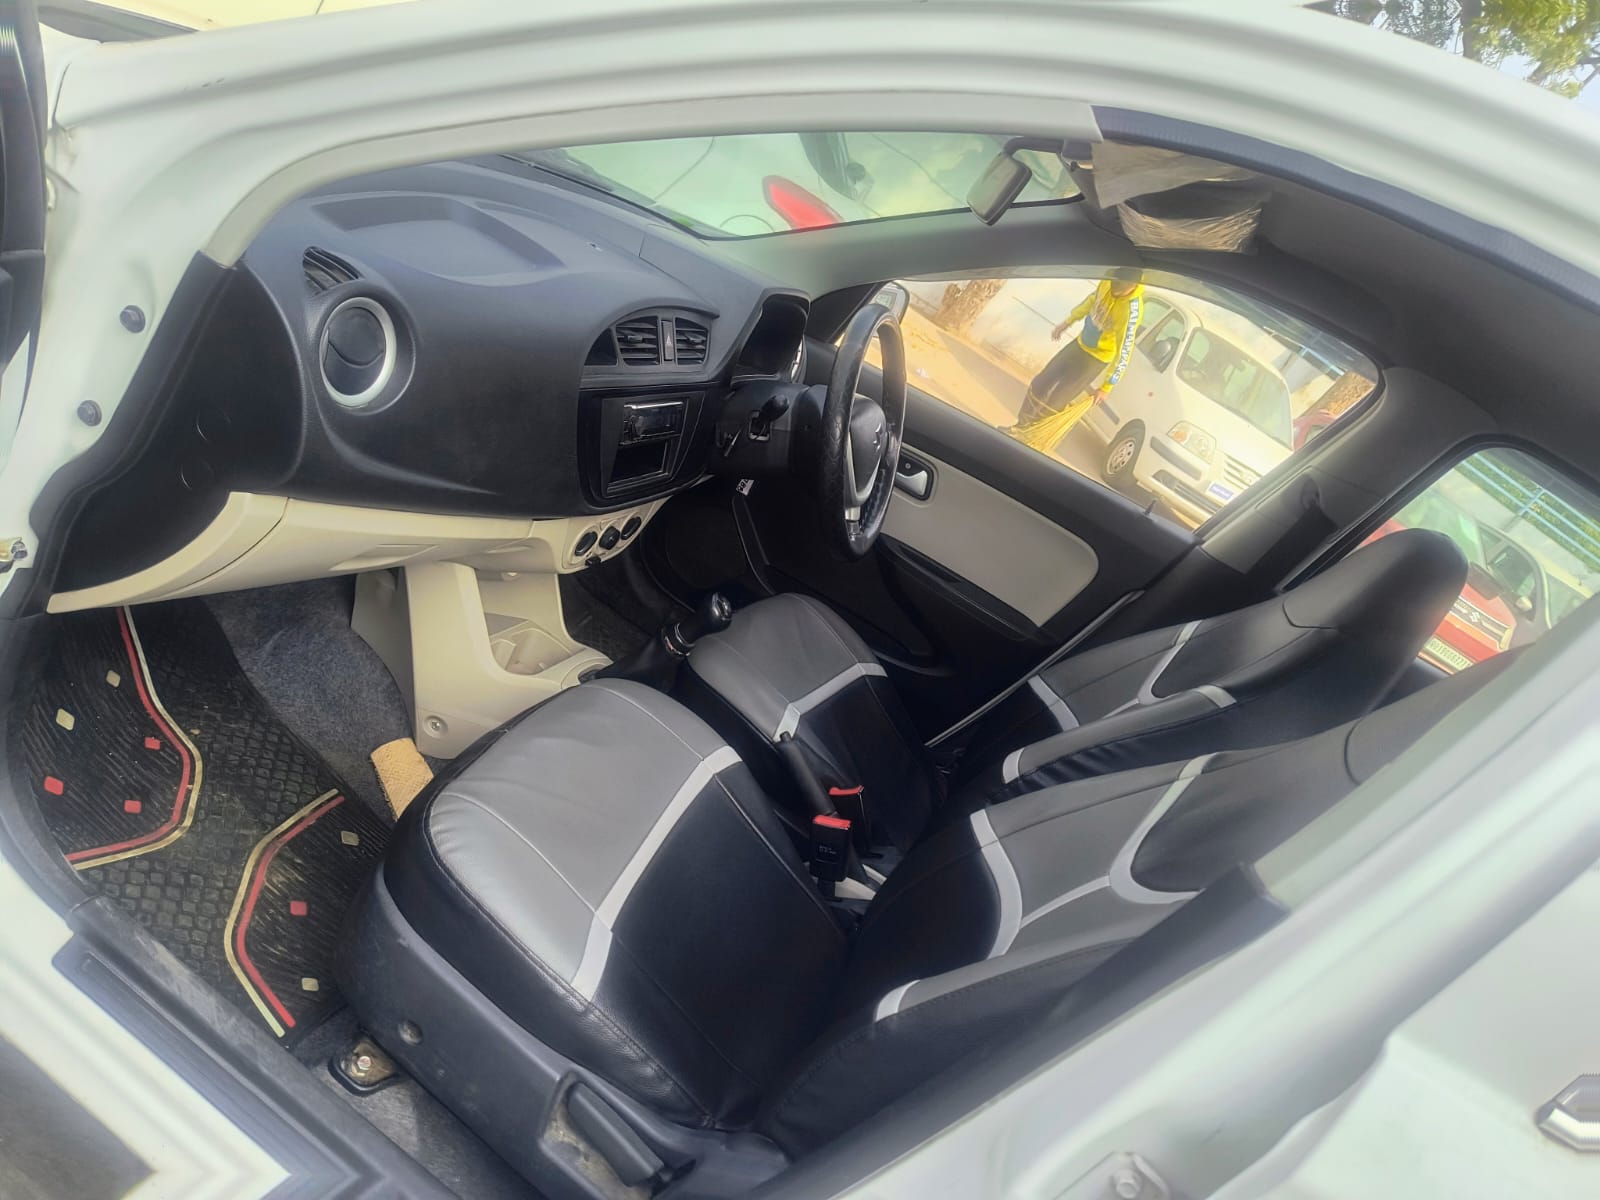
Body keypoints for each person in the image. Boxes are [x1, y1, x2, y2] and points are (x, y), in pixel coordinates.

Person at [1010, 268, 1145, 451]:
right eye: (1114, 284)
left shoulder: (1131, 312)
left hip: (1096, 359)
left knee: (1057, 401)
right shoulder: (1108, 281)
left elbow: (1124, 352)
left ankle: (1030, 441)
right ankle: (1018, 429)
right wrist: (1067, 323)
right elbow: (1091, 301)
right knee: (1041, 382)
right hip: (1079, 345)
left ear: (1133, 286)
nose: (1114, 290)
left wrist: (1106, 387)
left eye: (1120, 288)